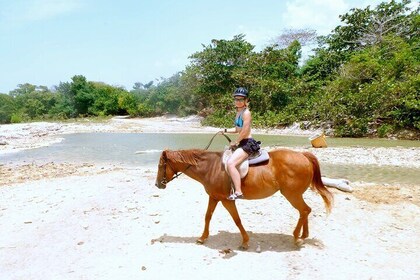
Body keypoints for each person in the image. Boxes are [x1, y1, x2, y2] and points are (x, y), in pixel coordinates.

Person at [222, 87, 261, 200]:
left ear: (246, 101)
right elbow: (237, 129)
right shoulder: (238, 112)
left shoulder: (246, 113)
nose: (238, 101)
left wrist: (236, 142)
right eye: (236, 99)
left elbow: (244, 131)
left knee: (230, 164)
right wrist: (224, 131)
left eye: (241, 99)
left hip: (247, 143)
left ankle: (239, 192)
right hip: (242, 141)